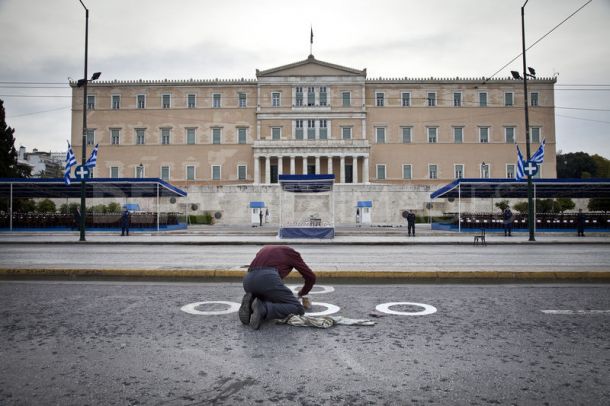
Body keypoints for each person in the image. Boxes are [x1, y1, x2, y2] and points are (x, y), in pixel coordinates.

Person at [239, 245, 316, 330]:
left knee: (269, 298)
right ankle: (263, 308)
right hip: (267, 278)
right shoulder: (292, 253)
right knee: (298, 308)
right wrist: (302, 293)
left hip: (248, 279)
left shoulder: (264, 249)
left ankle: (250, 305)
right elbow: (311, 277)